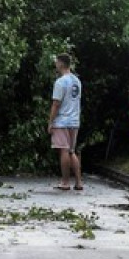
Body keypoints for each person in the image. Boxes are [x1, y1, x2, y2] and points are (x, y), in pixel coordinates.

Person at [48, 53, 83, 191]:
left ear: (61, 63)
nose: (55, 65)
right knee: (71, 150)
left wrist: (51, 122)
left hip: (62, 120)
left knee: (63, 151)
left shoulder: (60, 82)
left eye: (57, 62)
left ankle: (65, 182)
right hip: (74, 120)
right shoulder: (77, 81)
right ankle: (79, 182)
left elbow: (56, 104)